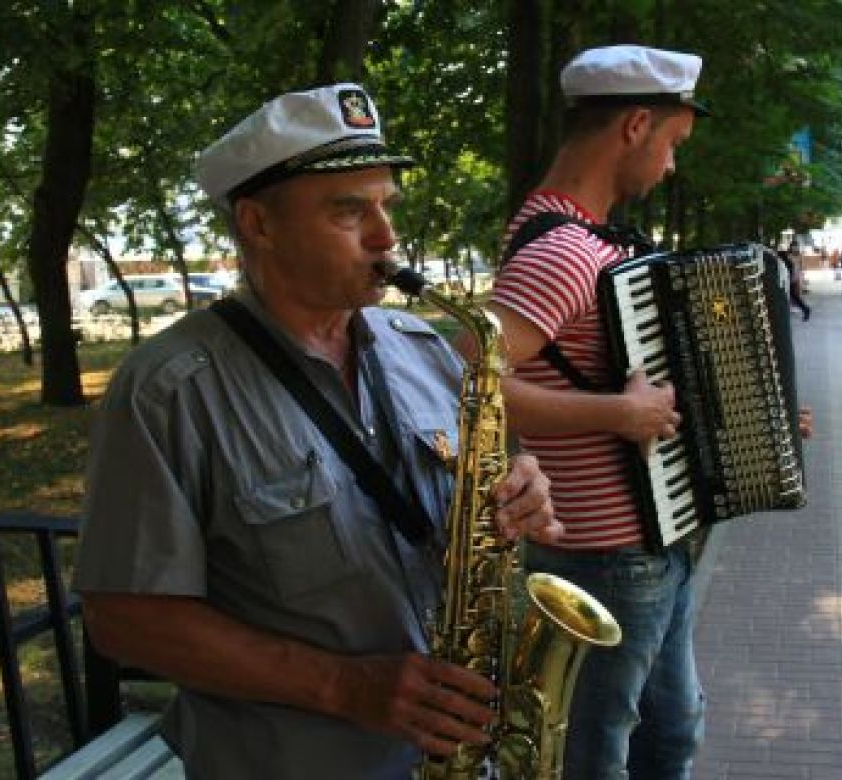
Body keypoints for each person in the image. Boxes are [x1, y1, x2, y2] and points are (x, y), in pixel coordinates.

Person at [72, 83, 562, 779]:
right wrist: (345, 687)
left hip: (455, 752)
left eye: (387, 205)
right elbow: (124, 619)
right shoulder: (168, 391)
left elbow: (490, 483)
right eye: (349, 211)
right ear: (258, 225)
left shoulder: (421, 347)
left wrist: (524, 488)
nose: (386, 237)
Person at [481, 45, 711, 779]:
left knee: (669, 736)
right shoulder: (565, 251)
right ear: (636, 126)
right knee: (595, 755)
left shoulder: (587, 237)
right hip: (602, 557)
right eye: (672, 143)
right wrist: (616, 415)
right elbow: (463, 383)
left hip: (649, 546)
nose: (670, 166)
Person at [779, 248, 811, 321]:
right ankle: (805, 309)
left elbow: (788, 274)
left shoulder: (785, 263)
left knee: (794, 297)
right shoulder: (788, 262)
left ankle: (805, 309)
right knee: (794, 297)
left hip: (789, 283)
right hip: (790, 282)